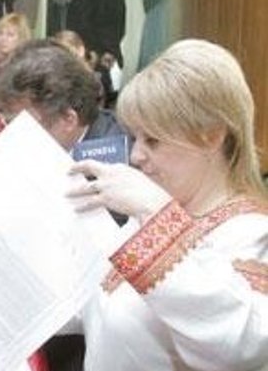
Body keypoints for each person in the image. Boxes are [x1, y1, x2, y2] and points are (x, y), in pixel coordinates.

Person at [67, 39, 268, 370]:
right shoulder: (161, 208)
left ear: (211, 135)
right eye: (136, 137)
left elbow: (241, 345)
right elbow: (102, 305)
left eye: (153, 140)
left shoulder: (251, 233)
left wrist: (155, 212)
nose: (135, 155)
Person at [0, 40, 122, 174]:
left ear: (68, 120)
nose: (13, 133)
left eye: (24, 124)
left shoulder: (109, 166)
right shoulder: (65, 133)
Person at [67, 0, 125, 107]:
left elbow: (79, 19)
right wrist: (111, 50)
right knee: (104, 97)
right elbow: (120, 21)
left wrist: (88, 50)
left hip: (88, 50)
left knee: (85, 101)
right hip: (108, 52)